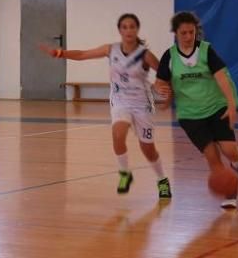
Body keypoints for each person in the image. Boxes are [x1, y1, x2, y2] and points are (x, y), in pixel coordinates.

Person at [42, 13, 172, 199]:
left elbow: (164, 75)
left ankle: (162, 180)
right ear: (119, 30)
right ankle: (124, 174)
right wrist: (61, 53)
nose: (128, 30)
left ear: (137, 29)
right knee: (118, 133)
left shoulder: (145, 55)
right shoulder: (111, 50)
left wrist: (167, 95)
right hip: (120, 101)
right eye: (125, 27)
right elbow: (83, 54)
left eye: (132, 27)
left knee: (148, 149)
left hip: (142, 104)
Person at [154, 11, 238, 209]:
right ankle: (230, 193)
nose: (188, 37)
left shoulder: (206, 51)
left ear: (196, 32)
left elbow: (222, 77)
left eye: (191, 32)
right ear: (175, 33)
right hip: (189, 115)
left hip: (215, 106)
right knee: (212, 156)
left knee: (229, 150)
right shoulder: (169, 56)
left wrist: (231, 104)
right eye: (183, 33)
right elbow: (159, 87)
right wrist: (163, 100)